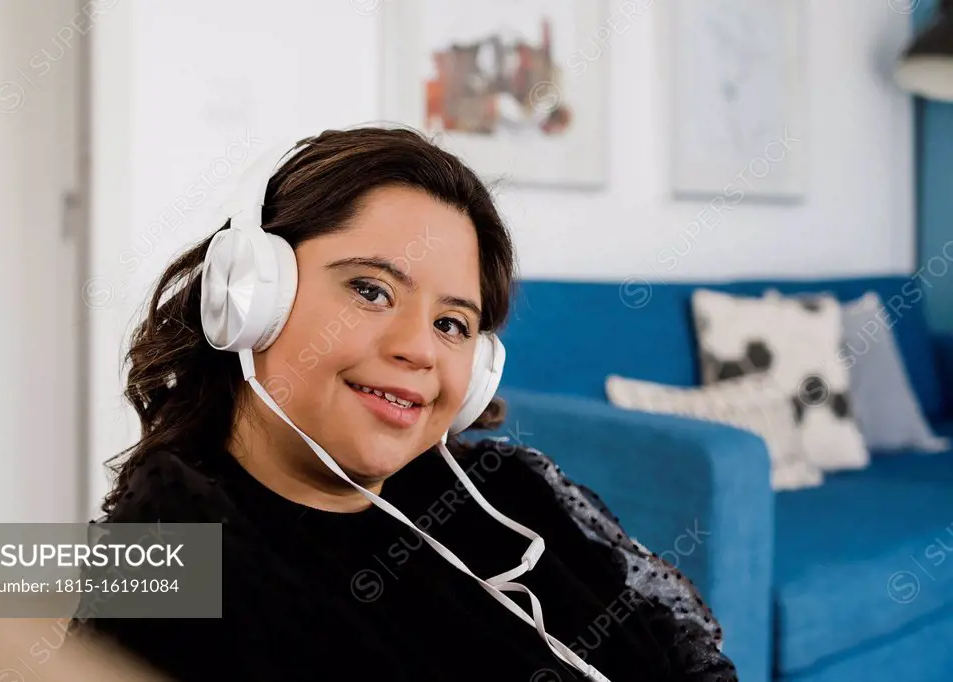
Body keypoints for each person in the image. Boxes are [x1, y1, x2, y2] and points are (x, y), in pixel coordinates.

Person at [74, 126, 739, 682]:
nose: (418, 349)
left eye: (453, 324)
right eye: (370, 290)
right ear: (249, 295)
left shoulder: (509, 502)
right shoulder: (168, 564)